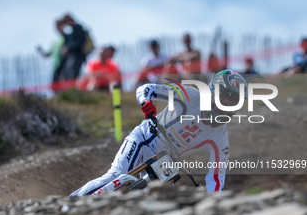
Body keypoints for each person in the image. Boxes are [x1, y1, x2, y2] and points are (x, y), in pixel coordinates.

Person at [69, 69, 248, 196]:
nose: (227, 106)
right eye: (224, 97)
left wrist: (212, 204)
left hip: (166, 159)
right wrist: (145, 102)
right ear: (212, 91)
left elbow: (216, 179)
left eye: (233, 102)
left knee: (151, 197)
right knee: (115, 176)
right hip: (144, 138)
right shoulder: (190, 95)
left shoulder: (221, 139)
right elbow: (146, 89)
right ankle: (71, 202)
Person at [37, 20, 65, 85]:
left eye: (60, 26)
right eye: (57, 26)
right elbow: (48, 54)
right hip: (56, 66)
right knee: (55, 85)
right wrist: (41, 51)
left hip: (64, 66)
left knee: (64, 84)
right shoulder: (55, 42)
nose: (58, 28)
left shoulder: (67, 39)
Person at [59, 14, 86, 79]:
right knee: (65, 75)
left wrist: (69, 48)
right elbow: (68, 41)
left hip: (77, 56)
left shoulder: (78, 28)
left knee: (73, 74)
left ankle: (72, 89)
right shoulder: (71, 30)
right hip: (71, 56)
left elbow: (81, 41)